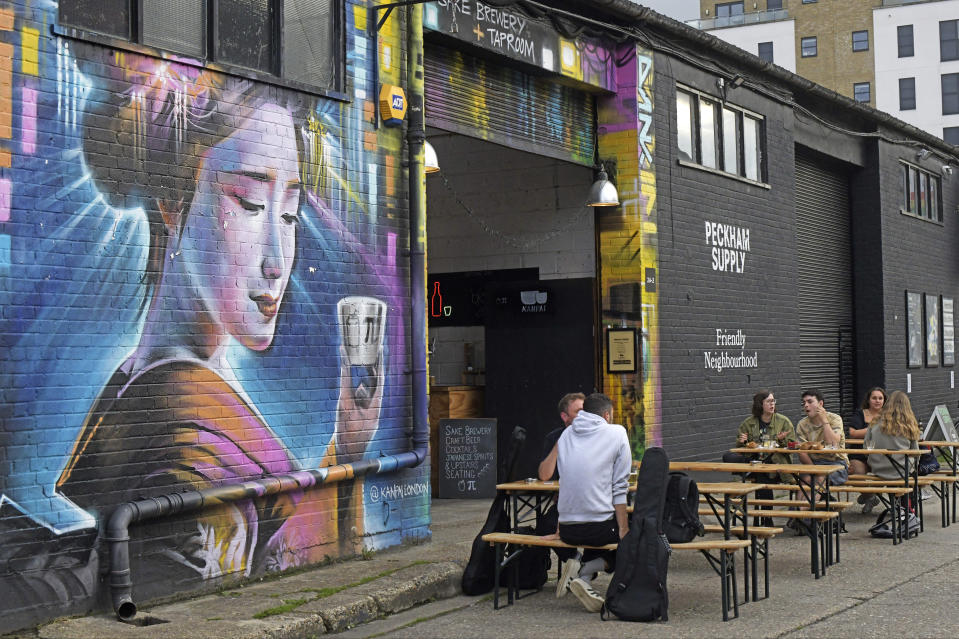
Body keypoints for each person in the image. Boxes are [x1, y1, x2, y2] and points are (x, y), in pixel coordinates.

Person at [53, 67, 383, 586]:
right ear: (172, 202)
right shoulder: (190, 436)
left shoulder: (140, 384)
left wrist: (348, 444)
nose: (278, 260)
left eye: (291, 215)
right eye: (250, 205)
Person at [555, 393, 632, 612]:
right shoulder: (617, 433)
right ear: (607, 415)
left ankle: (583, 578)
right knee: (632, 537)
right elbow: (619, 488)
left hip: (568, 529)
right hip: (597, 529)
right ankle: (584, 572)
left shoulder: (566, 435)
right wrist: (624, 529)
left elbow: (567, 481)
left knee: (604, 526)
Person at [722, 390, 796, 525]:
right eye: (768, 401)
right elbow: (740, 447)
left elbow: (792, 447)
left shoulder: (783, 422)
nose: (772, 404)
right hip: (754, 459)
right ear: (760, 404)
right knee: (727, 456)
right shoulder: (749, 423)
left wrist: (782, 441)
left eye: (773, 401)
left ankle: (765, 518)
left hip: (775, 461)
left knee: (762, 474)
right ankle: (765, 518)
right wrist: (742, 442)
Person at [864, 391, 921, 532]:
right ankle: (908, 513)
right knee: (911, 473)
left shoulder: (875, 422)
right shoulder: (909, 425)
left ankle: (902, 511)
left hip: (878, 469)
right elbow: (916, 452)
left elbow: (866, 446)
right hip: (901, 471)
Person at [795, 389, 848, 488]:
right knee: (805, 479)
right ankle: (806, 503)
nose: (806, 405)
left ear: (820, 404)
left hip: (836, 463)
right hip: (813, 463)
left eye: (810, 402)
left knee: (820, 477)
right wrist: (814, 469)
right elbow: (802, 452)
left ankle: (816, 501)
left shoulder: (835, 419)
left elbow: (833, 444)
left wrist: (824, 421)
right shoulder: (802, 424)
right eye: (804, 403)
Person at [847, 387, 887, 512]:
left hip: (881, 455)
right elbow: (852, 433)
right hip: (860, 454)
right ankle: (869, 496)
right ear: (868, 400)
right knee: (854, 474)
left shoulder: (888, 415)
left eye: (880, 398)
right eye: (874, 398)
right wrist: (873, 429)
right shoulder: (860, 413)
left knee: (890, 473)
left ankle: (869, 495)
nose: (877, 401)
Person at [538, 393, 586, 481]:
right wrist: (559, 444)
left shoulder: (596, 435)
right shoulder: (554, 437)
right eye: (579, 412)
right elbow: (544, 476)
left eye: (586, 411)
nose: (584, 415)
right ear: (565, 417)